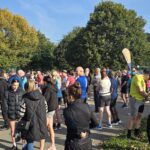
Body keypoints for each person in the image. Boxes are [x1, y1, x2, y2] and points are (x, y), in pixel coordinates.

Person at [63, 82, 99, 150]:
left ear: (70, 96)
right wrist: (86, 129)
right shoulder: (87, 106)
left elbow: (71, 126)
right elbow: (96, 123)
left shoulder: (67, 111)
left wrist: (80, 132)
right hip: (86, 142)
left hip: (73, 143)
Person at [21, 80, 48, 150]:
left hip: (29, 121)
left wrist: (20, 119)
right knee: (41, 136)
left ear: (26, 88)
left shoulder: (25, 98)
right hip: (42, 120)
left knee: (29, 140)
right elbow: (46, 109)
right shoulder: (42, 97)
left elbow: (21, 112)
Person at [127, 69, 150, 139]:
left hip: (141, 100)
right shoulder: (137, 77)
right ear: (146, 74)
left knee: (139, 116)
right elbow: (140, 90)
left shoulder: (143, 80)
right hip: (135, 100)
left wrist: (146, 96)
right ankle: (129, 135)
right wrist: (147, 96)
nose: (149, 79)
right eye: (149, 77)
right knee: (133, 117)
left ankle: (136, 132)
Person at [3, 79, 25, 150]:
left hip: (20, 114)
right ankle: (14, 145)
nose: (15, 87)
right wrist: (6, 114)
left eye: (17, 85)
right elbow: (5, 104)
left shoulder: (21, 91)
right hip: (11, 113)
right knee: (13, 130)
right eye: (14, 85)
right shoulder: (7, 92)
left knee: (22, 131)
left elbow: (24, 101)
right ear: (11, 84)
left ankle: (23, 145)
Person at [43, 76, 58, 150]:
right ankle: (53, 145)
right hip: (53, 108)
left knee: (43, 128)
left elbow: (45, 100)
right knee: (50, 127)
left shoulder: (48, 88)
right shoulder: (53, 86)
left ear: (45, 81)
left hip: (49, 109)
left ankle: (42, 147)